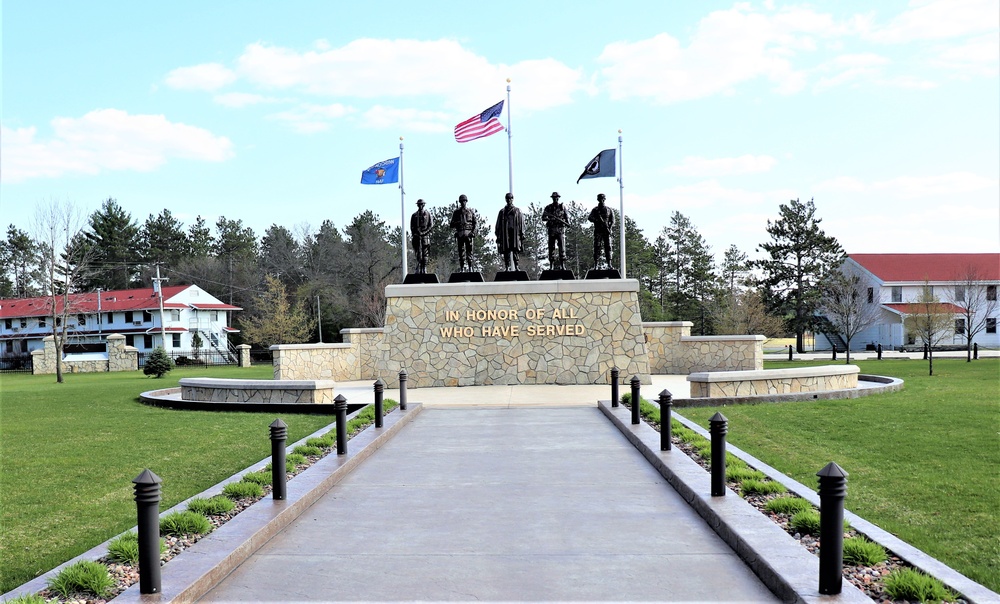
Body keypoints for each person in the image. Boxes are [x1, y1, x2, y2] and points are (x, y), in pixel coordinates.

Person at [495, 192, 525, 271]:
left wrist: (522, 234)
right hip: (505, 233)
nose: (509, 200)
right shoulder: (502, 212)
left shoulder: (517, 211)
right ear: (505, 199)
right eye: (507, 198)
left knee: (515, 250)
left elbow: (521, 223)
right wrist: (498, 235)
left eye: (510, 198)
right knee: (506, 250)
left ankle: (517, 266)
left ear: (512, 199)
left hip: (515, 233)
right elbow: (498, 224)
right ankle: (507, 266)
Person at [541, 191, 569, 271]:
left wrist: (565, 223)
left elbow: (567, 219)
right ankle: (551, 266)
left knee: (562, 248)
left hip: (560, 229)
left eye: (556, 197)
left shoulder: (562, 207)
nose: (555, 199)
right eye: (554, 198)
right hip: (552, 230)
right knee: (551, 248)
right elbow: (543, 217)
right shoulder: (548, 207)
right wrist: (549, 218)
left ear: (558, 198)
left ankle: (562, 265)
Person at [449, 194, 477, 272]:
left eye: (464, 201)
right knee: (461, 252)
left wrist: (473, 232)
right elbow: (451, 224)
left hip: (468, 234)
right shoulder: (456, 212)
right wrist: (457, 223)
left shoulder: (470, 211)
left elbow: (475, 223)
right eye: (461, 201)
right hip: (460, 233)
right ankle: (462, 268)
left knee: (469, 251)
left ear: (466, 202)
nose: (463, 203)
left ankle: (470, 267)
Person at [588, 193, 614, 269]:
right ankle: (596, 265)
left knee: (608, 247)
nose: (601, 200)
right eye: (600, 199)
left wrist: (609, 228)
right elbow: (590, 218)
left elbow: (612, 220)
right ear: (598, 200)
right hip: (598, 231)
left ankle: (609, 264)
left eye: (603, 199)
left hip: (606, 231)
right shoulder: (595, 210)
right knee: (597, 247)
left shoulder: (609, 210)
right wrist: (597, 221)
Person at [409, 199, 433, 274]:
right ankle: (419, 266)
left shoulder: (428, 214)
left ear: (424, 205)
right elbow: (412, 226)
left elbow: (431, 225)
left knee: (425, 253)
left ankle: (424, 267)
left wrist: (424, 232)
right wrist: (415, 234)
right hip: (417, 237)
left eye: (422, 204)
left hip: (425, 236)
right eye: (419, 204)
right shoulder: (414, 215)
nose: (420, 206)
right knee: (418, 253)